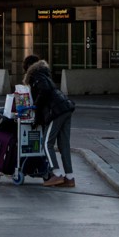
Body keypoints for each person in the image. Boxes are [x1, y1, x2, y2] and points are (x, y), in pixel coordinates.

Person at [22, 54, 76, 187]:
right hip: (65, 108)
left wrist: (35, 105)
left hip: (55, 111)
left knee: (47, 143)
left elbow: (44, 92)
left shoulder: (36, 75)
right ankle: (69, 178)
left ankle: (56, 174)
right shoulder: (44, 74)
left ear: (28, 67)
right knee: (64, 144)